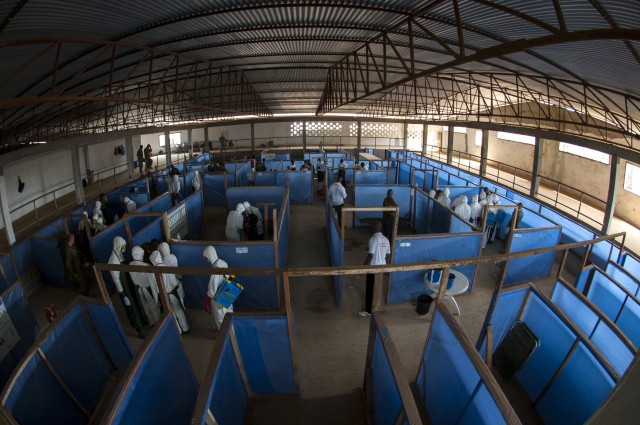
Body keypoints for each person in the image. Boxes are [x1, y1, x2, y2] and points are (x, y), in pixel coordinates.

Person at [109, 236, 145, 338]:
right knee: (131, 308)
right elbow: (116, 280)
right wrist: (123, 294)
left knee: (135, 303)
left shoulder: (119, 255)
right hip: (124, 289)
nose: (124, 248)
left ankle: (141, 321)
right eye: (123, 246)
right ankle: (138, 329)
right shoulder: (113, 261)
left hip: (128, 284)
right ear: (118, 246)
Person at [150, 250, 190, 334]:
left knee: (170, 314)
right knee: (178, 310)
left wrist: (157, 300)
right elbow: (174, 282)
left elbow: (154, 289)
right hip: (172, 293)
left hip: (163, 296)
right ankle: (185, 328)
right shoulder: (167, 268)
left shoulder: (152, 274)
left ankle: (178, 331)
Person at [359, 222, 390, 317]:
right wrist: (385, 265)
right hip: (382, 268)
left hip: (373, 269)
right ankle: (376, 307)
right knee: (378, 288)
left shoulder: (372, 239)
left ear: (373, 229)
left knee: (369, 289)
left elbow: (370, 255)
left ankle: (368, 310)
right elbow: (388, 255)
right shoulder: (386, 240)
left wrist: (363, 268)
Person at [129, 246, 161, 326]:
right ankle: (158, 324)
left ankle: (151, 322)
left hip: (140, 289)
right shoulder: (146, 266)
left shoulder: (130, 265)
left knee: (146, 306)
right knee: (154, 307)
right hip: (148, 289)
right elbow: (152, 282)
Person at [203, 246, 232, 330]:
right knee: (230, 315)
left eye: (206, 257)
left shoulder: (215, 270)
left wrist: (206, 301)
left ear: (208, 256)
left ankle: (225, 339)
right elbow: (230, 277)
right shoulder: (223, 262)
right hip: (228, 292)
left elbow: (212, 290)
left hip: (219, 299)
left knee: (221, 320)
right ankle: (232, 331)